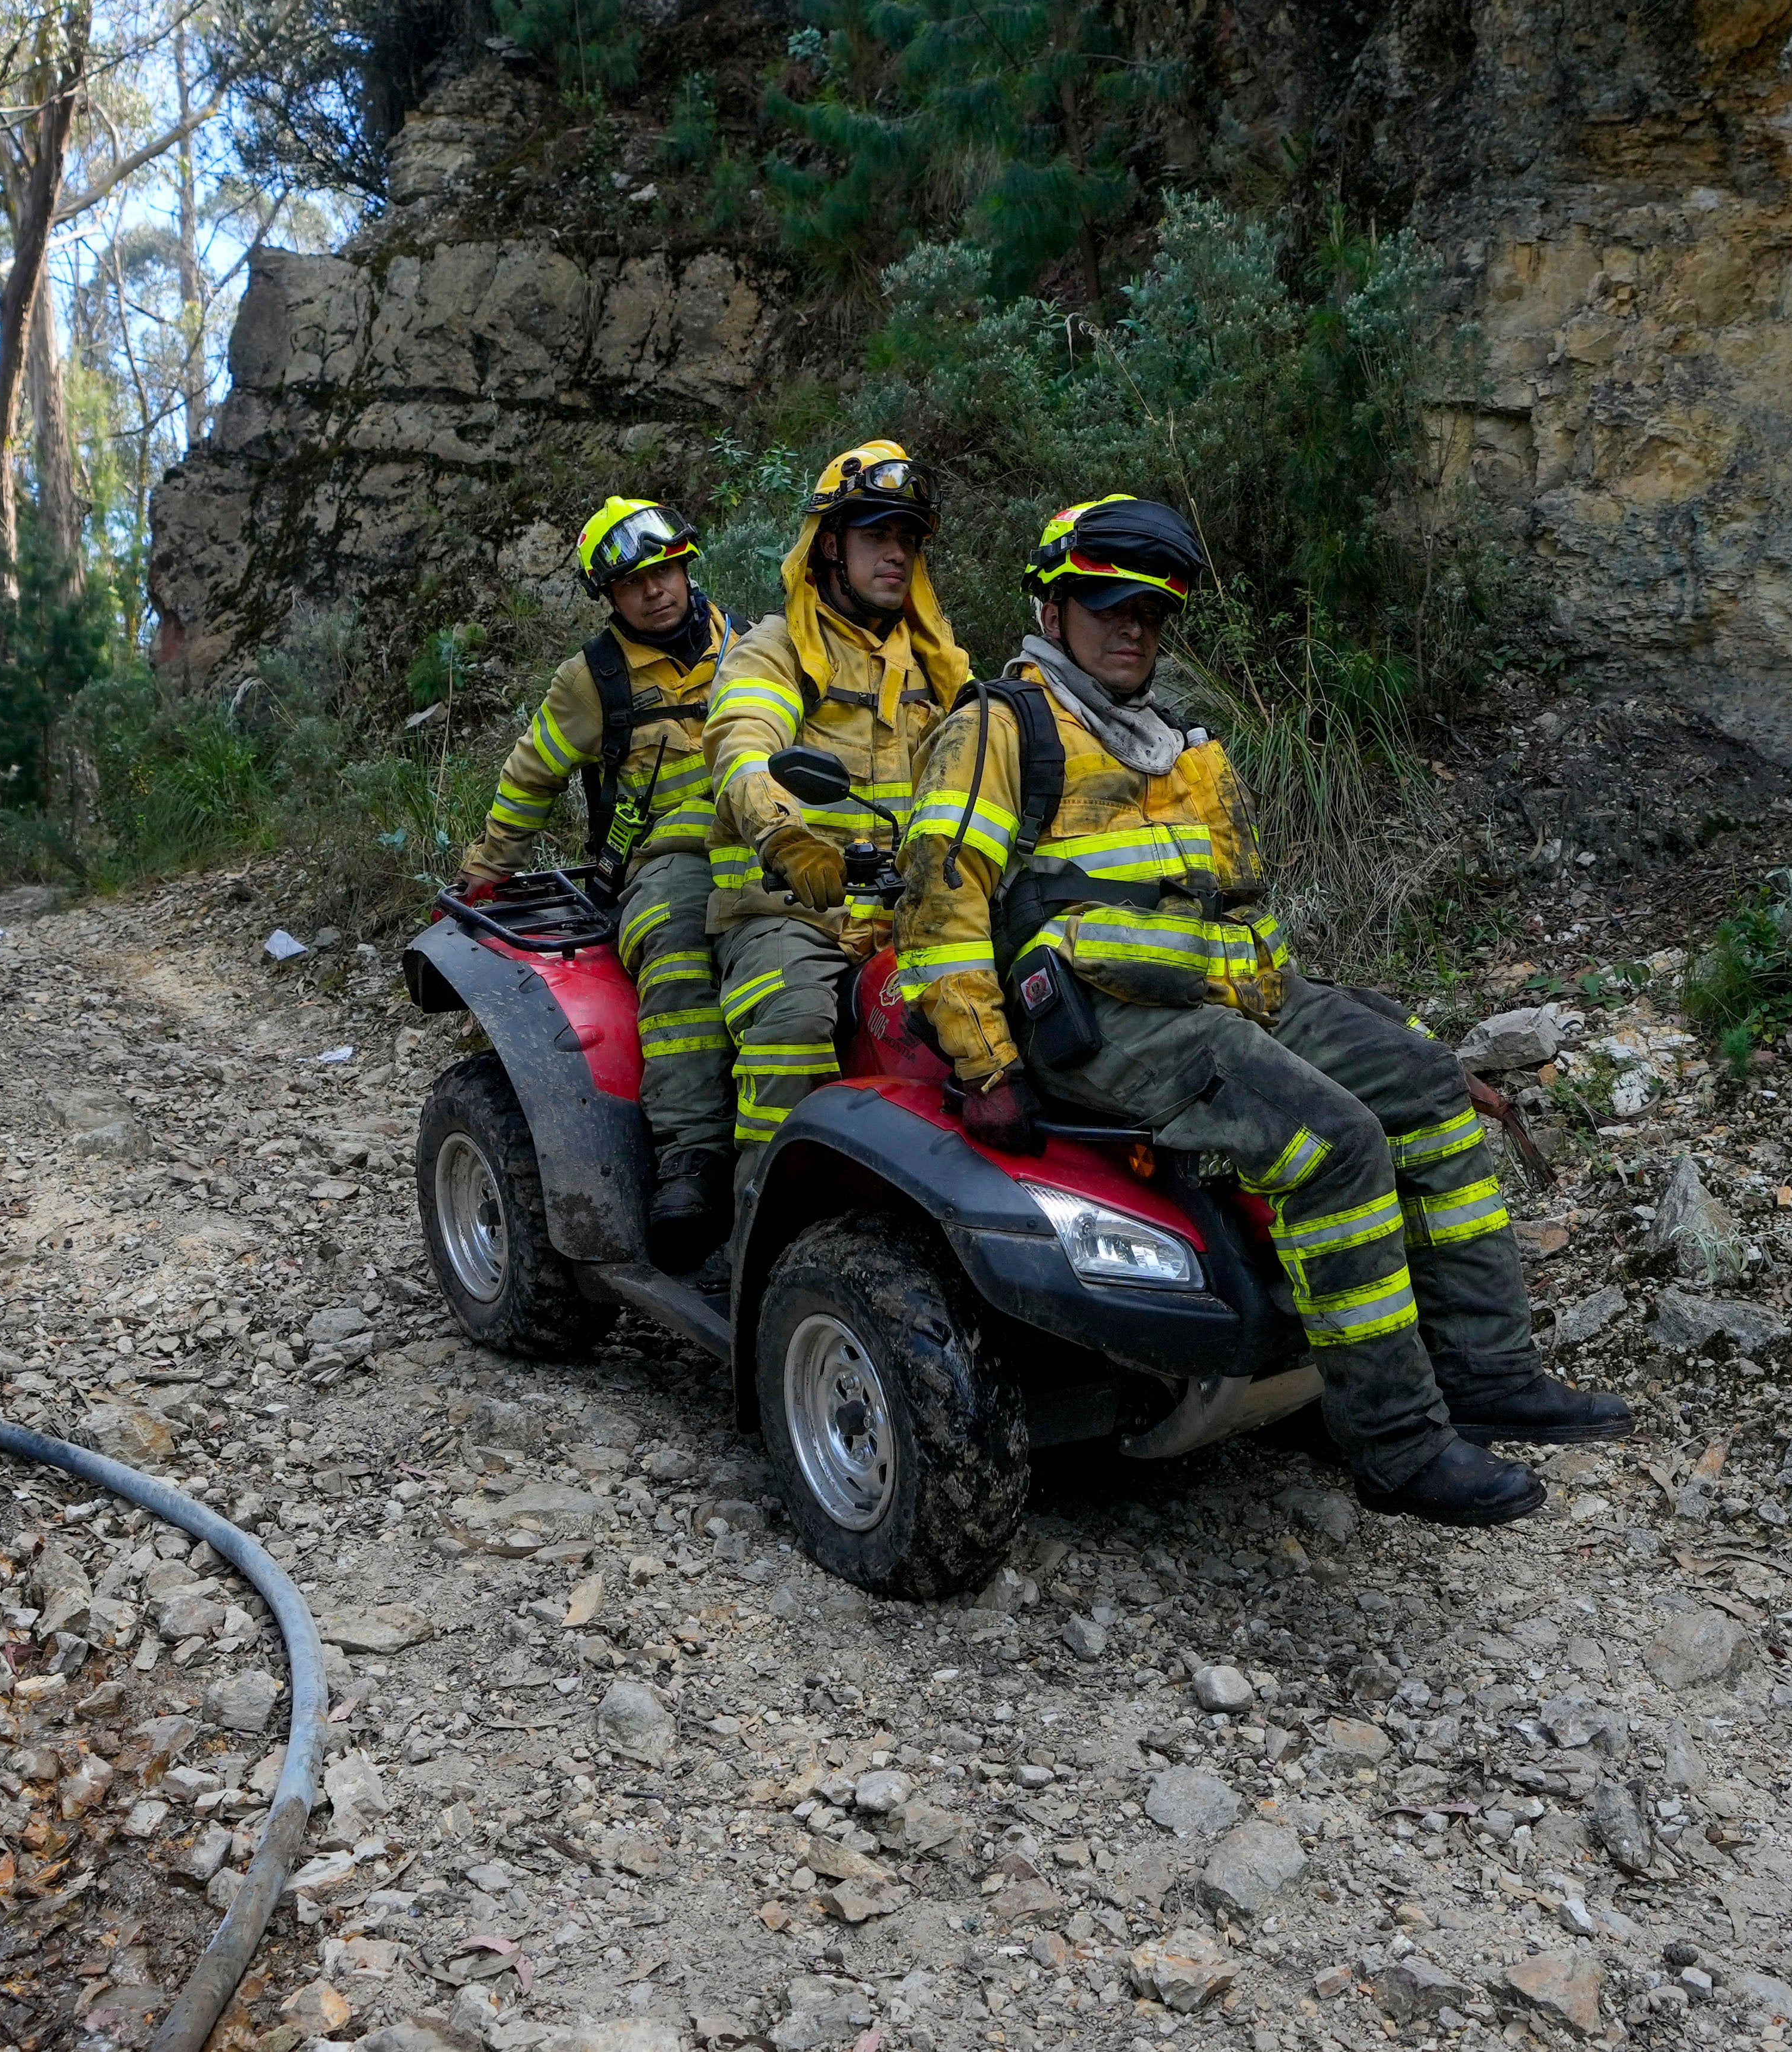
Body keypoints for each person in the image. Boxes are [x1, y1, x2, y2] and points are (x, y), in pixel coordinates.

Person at [891, 494, 1630, 1527]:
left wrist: (1344, 1010)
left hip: (1238, 1001)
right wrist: (985, 1066)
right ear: (1052, 611)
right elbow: (940, 907)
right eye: (1105, 603)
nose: (1131, 626)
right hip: (1106, 1025)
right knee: (1335, 1143)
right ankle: (1396, 1443)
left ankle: (1485, 1368)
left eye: (1150, 609)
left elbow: (1240, 911)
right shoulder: (997, 729)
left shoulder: (1187, 747)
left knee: (1427, 1088)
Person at [697, 442, 973, 1266]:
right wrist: (784, 833)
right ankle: (760, 1249)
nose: (897, 553)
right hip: (788, 911)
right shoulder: (775, 649)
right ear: (831, 544)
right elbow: (742, 745)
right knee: (795, 1020)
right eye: (877, 533)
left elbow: (996, 763)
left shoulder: (939, 664)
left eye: (910, 538)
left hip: (913, 912)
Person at [455, 500, 738, 1262]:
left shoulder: (748, 643)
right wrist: (488, 866)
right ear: (609, 596)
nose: (655, 592)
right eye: (633, 583)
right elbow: (530, 775)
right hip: (662, 864)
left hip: (765, 840)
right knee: (680, 955)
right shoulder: (591, 680)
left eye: (664, 570)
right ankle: (692, 1158)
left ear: (687, 563)